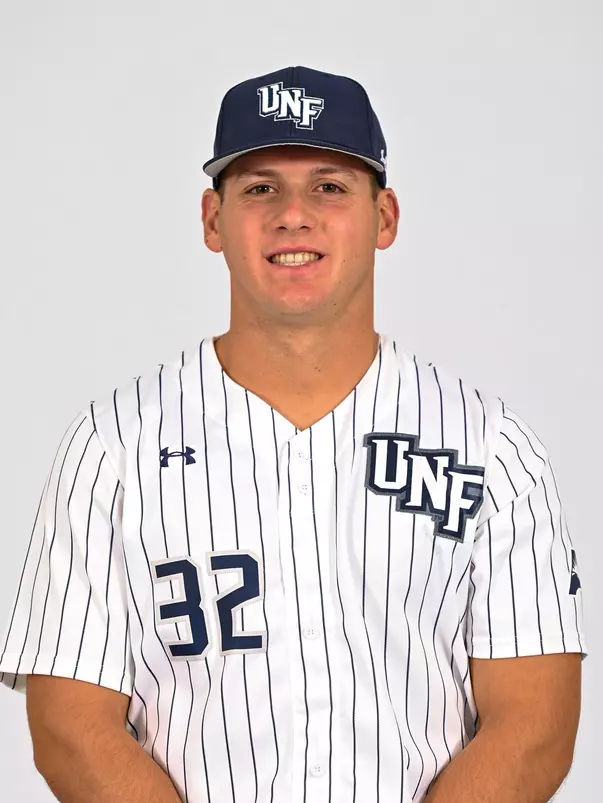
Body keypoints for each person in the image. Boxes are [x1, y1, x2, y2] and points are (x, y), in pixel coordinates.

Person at [0, 65, 587, 803]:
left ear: (385, 217)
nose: (293, 214)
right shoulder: (113, 446)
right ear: (213, 220)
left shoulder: (492, 451)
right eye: (260, 188)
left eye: (329, 186)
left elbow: (534, 723)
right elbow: (68, 725)